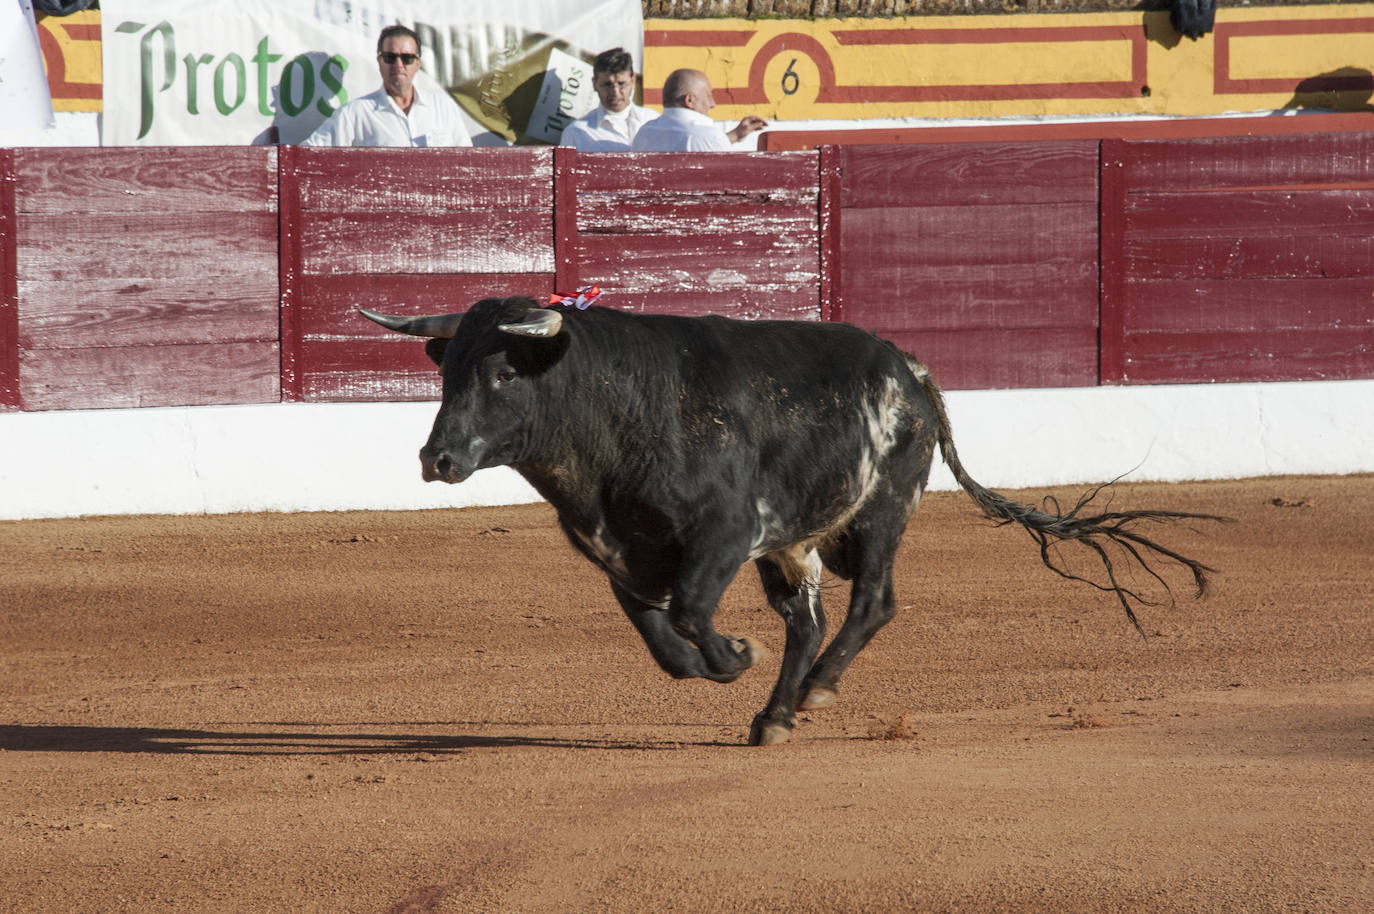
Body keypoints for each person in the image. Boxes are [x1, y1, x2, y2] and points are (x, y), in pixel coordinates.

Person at [302, 25, 471, 147]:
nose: (399, 64)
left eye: (407, 58)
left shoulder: (443, 107)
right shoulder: (356, 113)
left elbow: (469, 162)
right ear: (379, 61)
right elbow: (305, 155)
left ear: (418, 63)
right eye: (390, 57)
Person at [629, 68, 767, 152]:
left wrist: (735, 135)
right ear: (689, 100)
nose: (713, 104)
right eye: (708, 95)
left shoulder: (644, 133)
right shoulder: (710, 135)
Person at [559, 48, 658, 152]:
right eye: (607, 85)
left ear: (633, 81)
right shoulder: (576, 133)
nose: (615, 92)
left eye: (621, 84)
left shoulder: (653, 121)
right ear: (594, 84)